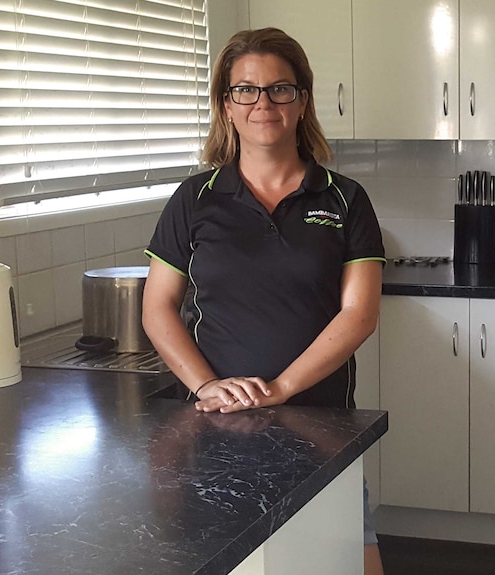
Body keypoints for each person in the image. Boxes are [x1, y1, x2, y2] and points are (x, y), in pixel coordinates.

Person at [142, 27, 386, 575]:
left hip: (319, 424)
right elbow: (158, 307)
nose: (263, 103)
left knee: (349, 560)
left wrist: (280, 389)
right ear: (226, 106)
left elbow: (360, 313)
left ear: (303, 101)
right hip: (218, 427)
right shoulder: (194, 199)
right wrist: (206, 385)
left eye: (280, 88)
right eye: (245, 90)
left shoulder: (346, 198)